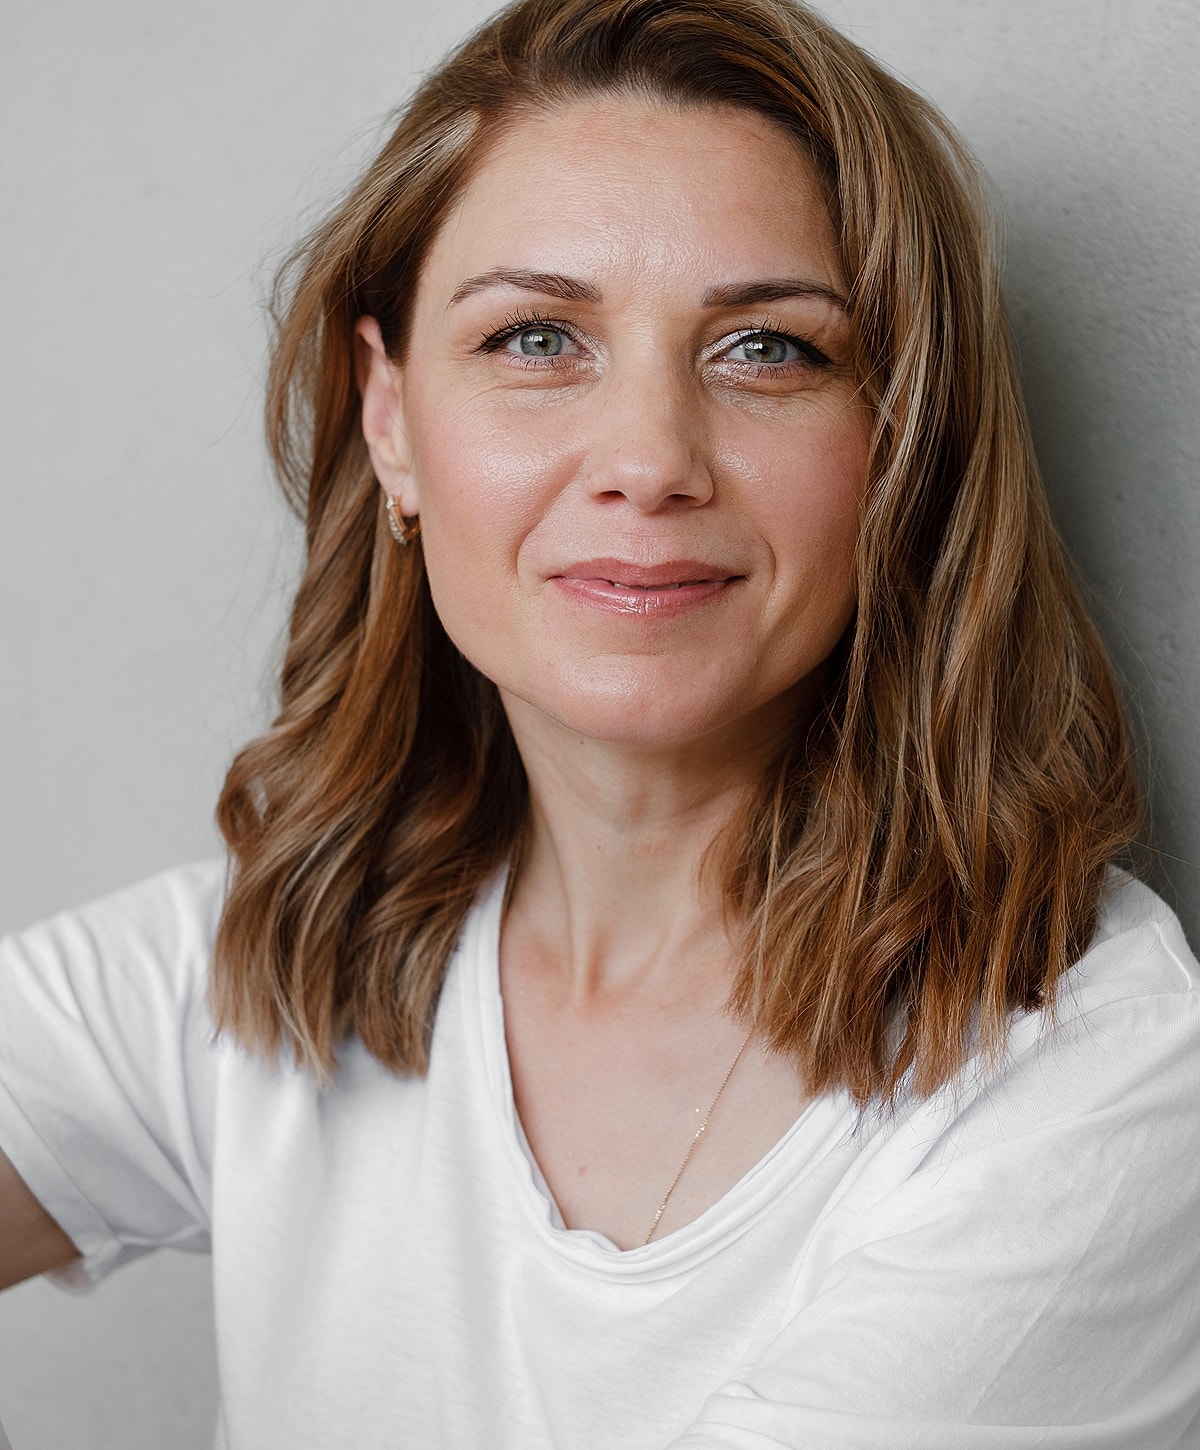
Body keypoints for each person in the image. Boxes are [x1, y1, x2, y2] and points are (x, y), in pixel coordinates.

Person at [1, 0, 1198, 1445]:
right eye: (537, 336)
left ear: (904, 446)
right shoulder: (276, 968)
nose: (647, 459)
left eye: (769, 348)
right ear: (389, 419)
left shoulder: (1098, 1072)